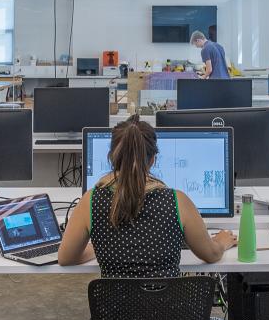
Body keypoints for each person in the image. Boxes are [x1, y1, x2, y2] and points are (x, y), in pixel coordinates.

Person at [58, 115, 237, 277]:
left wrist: (97, 248)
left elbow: (66, 257)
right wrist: (221, 242)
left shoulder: (91, 201)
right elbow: (211, 255)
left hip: (115, 312)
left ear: (112, 157)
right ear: (153, 160)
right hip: (169, 312)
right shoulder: (177, 201)